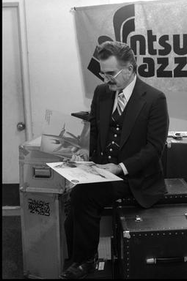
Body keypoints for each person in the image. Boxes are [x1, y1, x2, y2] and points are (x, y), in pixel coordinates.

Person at [60, 41, 169, 279]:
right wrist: (88, 157)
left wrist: (120, 167)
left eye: (110, 73)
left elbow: (154, 149)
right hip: (103, 169)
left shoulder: (154, 99)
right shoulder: (102, 93)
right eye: (102, 72)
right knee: (74, 195)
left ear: (129, 69)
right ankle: (76, 256)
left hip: (135, 177)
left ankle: (86, 261)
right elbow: (97, 130)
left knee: (84, 195)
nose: (105, 78)